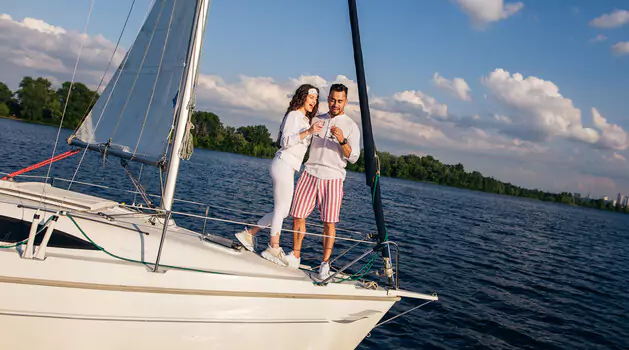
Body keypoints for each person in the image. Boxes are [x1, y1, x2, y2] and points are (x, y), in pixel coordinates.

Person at [235, 84, 323, 266]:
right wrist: (309, 132)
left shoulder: (305, 120)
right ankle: (273, 247)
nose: (314, 102)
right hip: (283, 163)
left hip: (289, 167)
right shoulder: (294, 116)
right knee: (281, 209)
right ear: (302, 97)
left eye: (316, 99)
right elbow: (285, 141)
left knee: (282, 212)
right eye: (311, 97)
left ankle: (249, 234)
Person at [284, 83, 360, 280]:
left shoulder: (351, 126)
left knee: (329, 223)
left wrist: (342, 140)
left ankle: (325, 264)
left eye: (340, 101)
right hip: (310, 172)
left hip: (333, 178)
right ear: (328, 99)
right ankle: (296, 255)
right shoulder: (317, 118)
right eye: (333, 100)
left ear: (346, 102)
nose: (335, 104)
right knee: (297, 215)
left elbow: (354, 158)